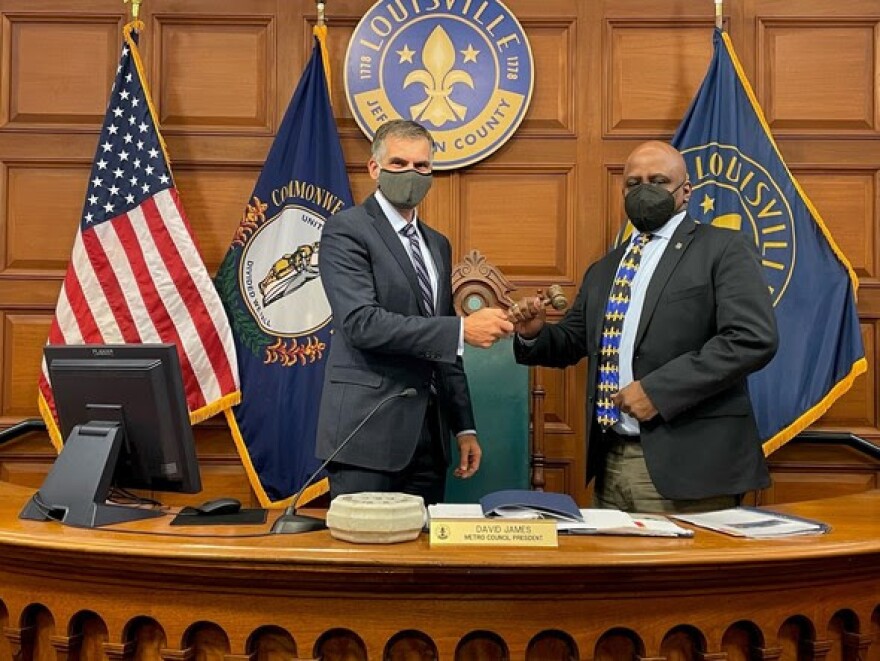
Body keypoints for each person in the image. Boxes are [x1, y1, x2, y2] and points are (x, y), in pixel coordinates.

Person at [512, 141, 778, 514]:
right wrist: (534, 333)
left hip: (690, 464)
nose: (645, 191)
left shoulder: (723, 248)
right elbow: (573, 342)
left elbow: (752, 339)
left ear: (686, 192)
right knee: (614, 571)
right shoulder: (605, 268)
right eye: (634, 183)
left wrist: (658, 391)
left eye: (658, 180)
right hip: (610, 460)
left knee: (682, 573)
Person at [316, 119, 514, 505]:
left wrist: (464, 427)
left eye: (421, 166)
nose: (412, 173)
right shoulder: (347, 230)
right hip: (367, 435)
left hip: (429, 439)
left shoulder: (437, 244)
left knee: (422, 561)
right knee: (367, 560)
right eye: (399, 164)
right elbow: (360, 323)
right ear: (374, 168)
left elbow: (442, 342)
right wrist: (460, 330)